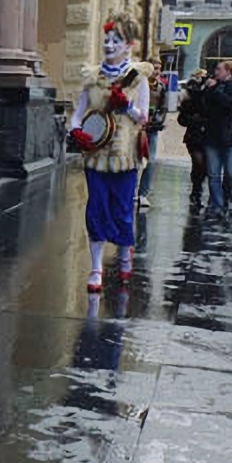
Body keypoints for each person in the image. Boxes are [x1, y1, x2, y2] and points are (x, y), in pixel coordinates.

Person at [69, 17, 152, 291]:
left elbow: (143, 119)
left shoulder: (138, 78)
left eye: (115, 41)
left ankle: (125, 258)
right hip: (96, 157)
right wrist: (76, 132)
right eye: (106, 40)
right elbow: (78, 115)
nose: (108, 45)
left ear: (128, 46)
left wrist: (126, 105)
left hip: (125, 157)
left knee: (123, 210)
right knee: (96, 210)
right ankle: (96, 269)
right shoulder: (92, 77)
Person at [201, 60, 232, 221]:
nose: (216, 71)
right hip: (212, 136)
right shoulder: (211, 87)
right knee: (213, 175)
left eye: (219, 69)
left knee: (231, 174)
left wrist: (215, 91)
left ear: (228, 71)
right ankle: (219, 206)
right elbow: (203, 106)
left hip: (231, 137)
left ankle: (224, 202)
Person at [136, 64, 170, 209]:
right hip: (136, 127)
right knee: (134, 160)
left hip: (152, 128)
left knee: (150, 161)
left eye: (158, 68)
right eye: (154, 68)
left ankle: (143, 194)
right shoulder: (138, 84)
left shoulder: (161, 87)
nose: (157, 72)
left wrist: (158, 120)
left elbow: (164, 107)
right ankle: (131, 191)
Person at [178, 69, 210, 209]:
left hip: (208, 135)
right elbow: (182, 118)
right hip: (194, 135)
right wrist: (193, 119)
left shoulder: (212, 93)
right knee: (198, 161)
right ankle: (196, 189)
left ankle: (197, 187)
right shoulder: (190, 95)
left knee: (204, 165)